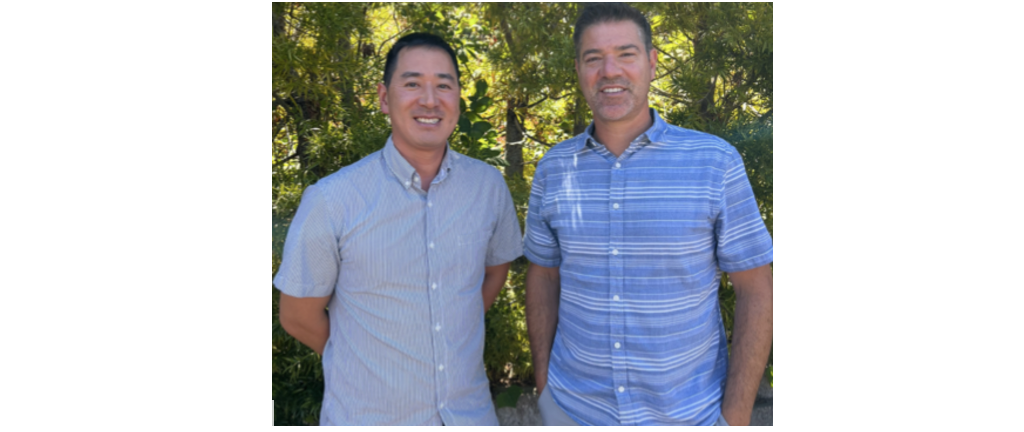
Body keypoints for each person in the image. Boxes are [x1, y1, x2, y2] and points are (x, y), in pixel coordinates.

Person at [523, 3, 773, 426]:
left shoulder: (714, 163)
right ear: (579, 70)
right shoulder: (553, 168)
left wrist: (735, 417)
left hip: (688, 416)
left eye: (626, 54)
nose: (610, 71)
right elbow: (543, 277)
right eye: (593, 58)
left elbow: (757, 289)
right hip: (575, 412)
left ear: (652, 62)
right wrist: (546, 388)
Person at [273, 32, 523, 426]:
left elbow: (494, 271)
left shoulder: (487, 187)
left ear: (458, 98)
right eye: (412, 84)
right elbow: (298, 316)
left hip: (469, 416)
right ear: (384, 98)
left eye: (444, 85)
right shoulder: (332, 199)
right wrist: (363, 359)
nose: (430, 100)